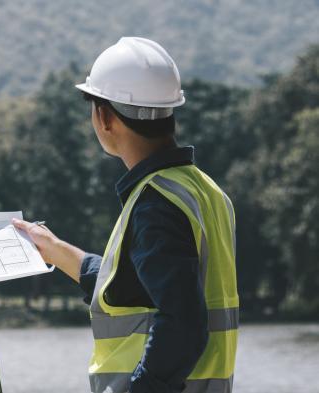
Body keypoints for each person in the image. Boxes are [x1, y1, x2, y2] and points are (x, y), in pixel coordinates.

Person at [12, 37, 238, 393]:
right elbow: (133, 289)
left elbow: (183, 323)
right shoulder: (203, 190)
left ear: (103, 116)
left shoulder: (155, 202)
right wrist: (54, 248)